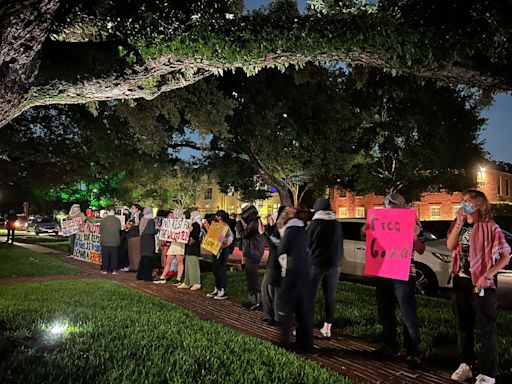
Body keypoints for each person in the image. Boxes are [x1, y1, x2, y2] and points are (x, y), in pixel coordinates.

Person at [447, 190, 511, 384]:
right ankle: (466, 365)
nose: (464, 203)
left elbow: (505, 256)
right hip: (461, 281)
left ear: (480, 205)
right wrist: (458, 224)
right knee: (464, 326)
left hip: (483, 284)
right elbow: (450, 245)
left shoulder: (491, 227)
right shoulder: (459, 224)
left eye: (469, 201)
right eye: (463, 200)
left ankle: (488, 373)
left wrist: (486, 275)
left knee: (486, 328)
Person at [361, 193, 425, 368]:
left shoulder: (411, 220)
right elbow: (367, 237)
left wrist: (414, 235)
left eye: (391, 203)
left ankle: (412, 351)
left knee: (408, 313)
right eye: (386, 203)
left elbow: (421, 249)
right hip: (383, 271)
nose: (388, 205)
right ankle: (391, 344)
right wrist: (366, 229)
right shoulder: (380, 220)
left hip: (404, 273)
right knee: (385, 311)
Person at [275, 207, 314, 352]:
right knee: (304, 310)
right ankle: (306, 342)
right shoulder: (305, 232)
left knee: (287, 308)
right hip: (305, 273)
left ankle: (285, 341)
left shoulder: (290, 232)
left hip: (291, 273)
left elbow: (282, 251)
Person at [307, 198, 343, 338]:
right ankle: (327, 328)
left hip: (315, 264)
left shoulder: (315, 224)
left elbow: (307, 244)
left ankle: (305, 326)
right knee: (329, 296)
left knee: (309, 296)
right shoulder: (337, 224)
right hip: (334, 266)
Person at [236, 205, 266, 309]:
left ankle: (256, 301)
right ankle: (254, 300)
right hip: (252, 252)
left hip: (253, 253)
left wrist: (238, 224)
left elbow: (244, 234)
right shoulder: (255, 222)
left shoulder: (254, 223)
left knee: (252, 278)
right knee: (250, 277)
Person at [261, 206, 286, 326]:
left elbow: (274, 243)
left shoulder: (283, 228)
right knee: (267, 288)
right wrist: (269, 228)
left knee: (273, 290)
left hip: (277, 263)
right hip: (272, 262)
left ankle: (276, 317)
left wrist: (265, 233)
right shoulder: (277, 227)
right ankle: (269, 314)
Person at [206, 210, 234, 300]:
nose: (216, 217)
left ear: (220, 217)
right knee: (215, 269)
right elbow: (211, 235)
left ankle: (223, 289)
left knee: (221, 269)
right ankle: (217, 288)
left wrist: (223, 246)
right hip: (215, 249)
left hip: (222, 250)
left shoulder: (225, 226)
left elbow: (230, 238)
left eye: (217, 216)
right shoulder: (215, 225)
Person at [179, 210, 202, 290]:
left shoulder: (197, 224)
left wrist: (190, 231)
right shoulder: (193, 224)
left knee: (193, 265)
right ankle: (187, 282)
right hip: (189, 247)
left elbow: (195, 236)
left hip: (194, 247)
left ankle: (196, 282)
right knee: (188, 264)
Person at [137, 207, 158, 282]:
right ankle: (147, 275)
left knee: (143, 257)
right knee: (148, 257)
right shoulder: (151, 220)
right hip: (149, 240)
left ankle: (140, 274)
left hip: (143, 239)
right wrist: (158, 229)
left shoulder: (143, 219)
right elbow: (152, 231)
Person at [99, 206, 121, 275]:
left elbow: (101, 229)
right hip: (115, 240)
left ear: (107, 211)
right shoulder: (117, 220)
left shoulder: (103, 220)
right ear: (114, 211)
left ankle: (104, 269)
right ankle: (114, 270)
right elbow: (119, 229)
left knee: (105, 256)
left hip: (105, 240)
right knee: (114, 256)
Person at [126, 204, 143, 271]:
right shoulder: (132, 216)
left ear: (137, 209)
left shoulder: (140, 216)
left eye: (133, 208)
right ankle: (132, 267)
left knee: (136, 253)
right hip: (130, 235)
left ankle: (137, 267)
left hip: (136, 236)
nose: (131, 209)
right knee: (131, 252)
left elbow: (140, 226)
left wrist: (131, 227)